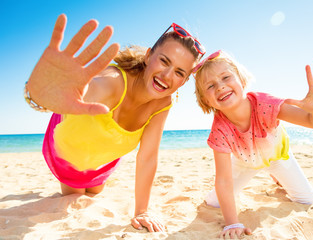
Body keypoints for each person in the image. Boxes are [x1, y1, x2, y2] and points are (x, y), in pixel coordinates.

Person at [24, 14, 205, 232]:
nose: (167, 75)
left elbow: (148, 156)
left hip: (102, 159)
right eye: (164, 61)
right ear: (148, 56)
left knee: (95, 191)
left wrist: (142, 211)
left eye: (179, 72)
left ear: (184, 81)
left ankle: (92, 180)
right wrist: (39, 94)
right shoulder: (112, 82)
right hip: (69, 151)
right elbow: (80, 92)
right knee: (76, 196)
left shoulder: (163, 103)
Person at [193, 50, 313, 239]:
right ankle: (273, 176)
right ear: (206, 100)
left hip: (278, 157)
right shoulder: (219, 130)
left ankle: (276, 175)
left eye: (226, 77)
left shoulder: (264, 104)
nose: (220, 87)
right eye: (210, 86)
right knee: (213, 202)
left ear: (241, 80)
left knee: (307, 200)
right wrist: (232, 223)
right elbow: (223, 180)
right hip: (245, 162)